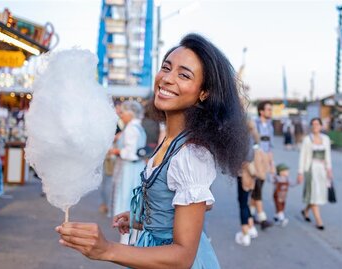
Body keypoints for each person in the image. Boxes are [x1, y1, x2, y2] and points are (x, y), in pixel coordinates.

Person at [56, 33, 249, 268]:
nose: (167, 78)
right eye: (166, 68)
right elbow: (177, 208)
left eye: (184, 75)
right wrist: (142, 218)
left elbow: (182, 258)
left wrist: (107, 250)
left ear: (203, 93)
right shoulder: (170, 140)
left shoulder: (192, 155)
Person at [109, 100, 147, 244]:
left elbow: (130, 153)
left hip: (129, 169)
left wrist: (115, 150)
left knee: (126, 199)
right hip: (133, 168)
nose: (121, 115)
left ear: (130, 113)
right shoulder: (136, 127)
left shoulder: (131, 128)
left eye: (123, 113)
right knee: (131, 200)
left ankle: (126, 238)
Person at [297, 118, 333, 230]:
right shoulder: (307, 140)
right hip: (311, 169)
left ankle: (305, 211)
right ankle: (319, 221)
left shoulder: (326, 139)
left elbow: (328, 155)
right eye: (313, 124)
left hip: (322, 169)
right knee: (313, 193)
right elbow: (302, 157)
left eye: (317, 124)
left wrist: (329, 169)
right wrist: (300, 172)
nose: (315, 126)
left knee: (318, 194)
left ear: (321, 126)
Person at [250, 101, 274, 230]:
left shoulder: (270, 126)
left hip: (265, 161)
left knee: (258, 187)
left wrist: (271, 164)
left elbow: (270, 146)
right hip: (255, 160)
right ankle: (262, 217)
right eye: (268, 109)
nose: (271, 112)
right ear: (261, 111)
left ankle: (251, 214)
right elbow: (249, 142)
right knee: (257, 187)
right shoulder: (254, 124)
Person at [235, 120, 259, 247]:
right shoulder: (252, 138)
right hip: (251, 173)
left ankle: (245, 233)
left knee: (242, 202)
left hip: (243, 173)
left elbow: (242, 158)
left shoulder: (243, 139)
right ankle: (251, 227)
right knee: (246, 200)